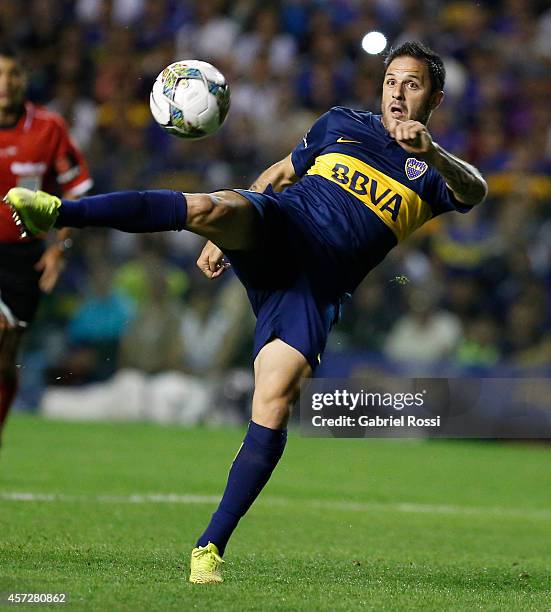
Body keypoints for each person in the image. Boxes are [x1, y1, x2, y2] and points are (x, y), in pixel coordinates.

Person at [5, 42, 487, 583]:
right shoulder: (339, 123)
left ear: (435, 96)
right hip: (282, 227)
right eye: (392, 80)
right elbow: (279, 174)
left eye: (413, 84)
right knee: (207, 206)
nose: (397, 92)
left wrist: (435, 152)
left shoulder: (435, 174)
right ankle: (58, 211)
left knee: (276, 397)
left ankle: (209, 547)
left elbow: (476, 190)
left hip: (314, 286)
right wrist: (231, 226)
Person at [0, 45, 92, 444]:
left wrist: (60, 247)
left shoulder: (48, 127)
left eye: (14, 74)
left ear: (25, 78)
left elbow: (76, 191)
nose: (6, 84)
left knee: (5, 358)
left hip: (24, 257)